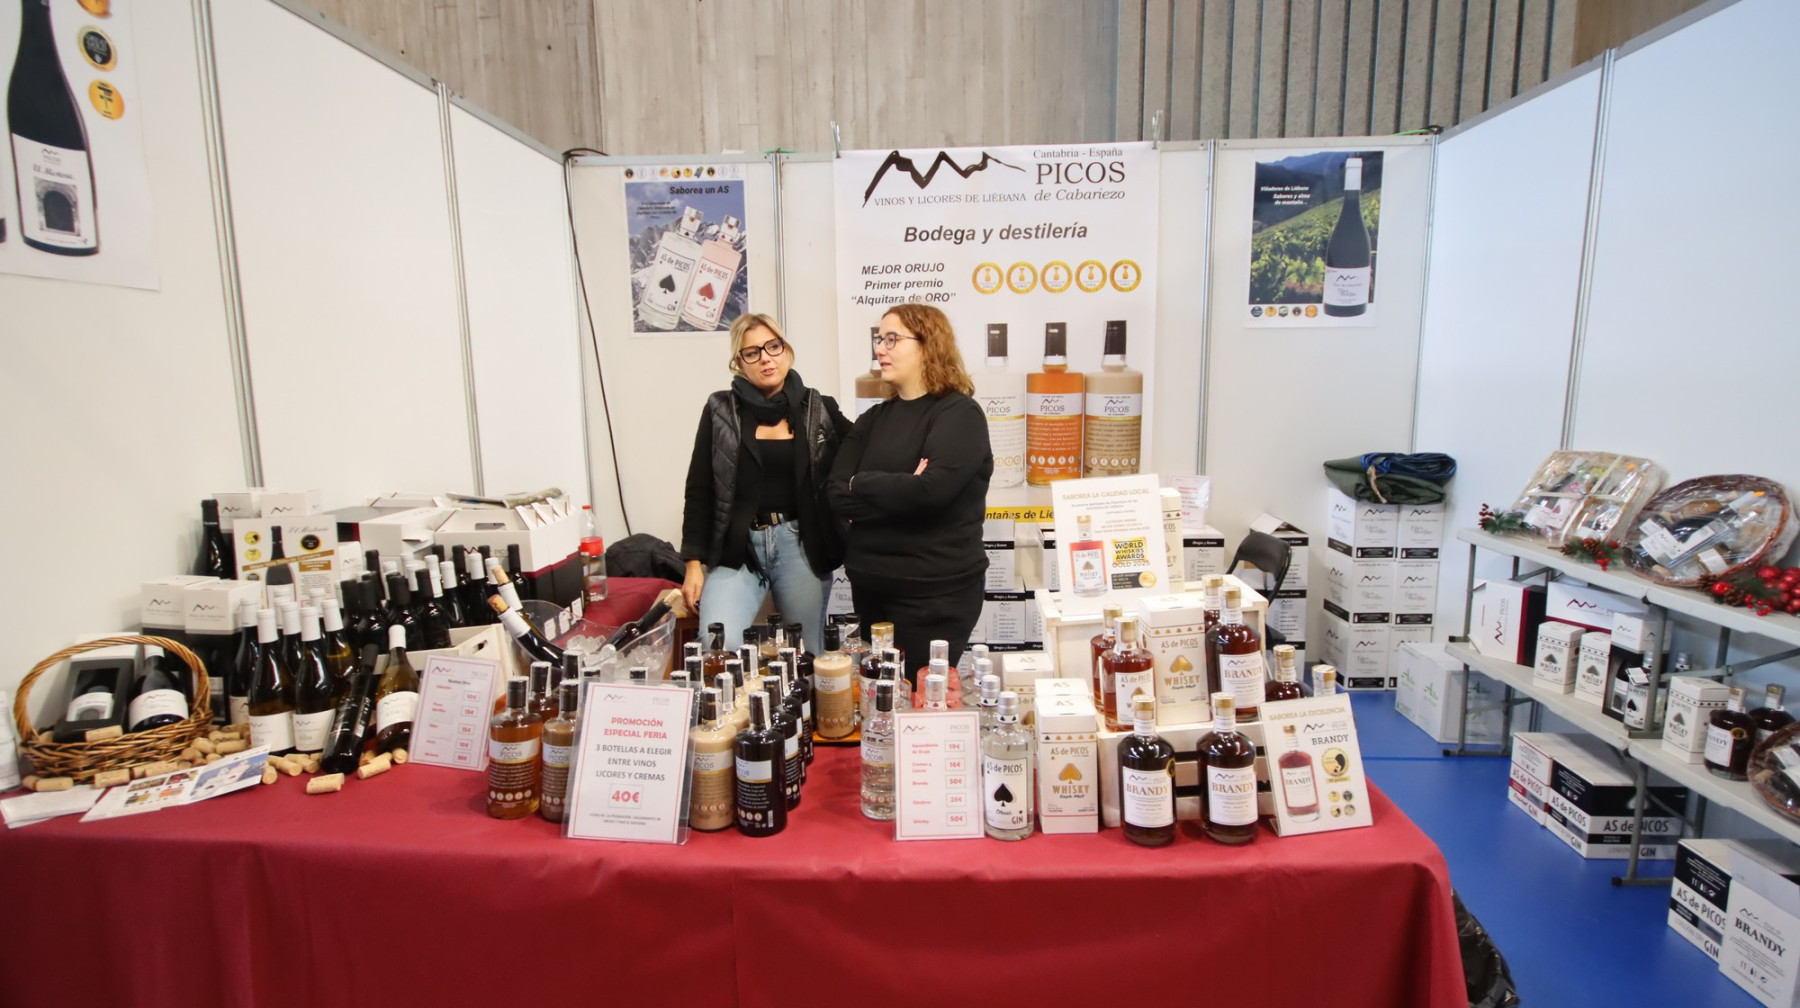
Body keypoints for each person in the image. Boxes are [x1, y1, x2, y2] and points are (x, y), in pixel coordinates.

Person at [828, 303, 992, 679]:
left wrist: (862, 482)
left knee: (919, 701)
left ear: (927, 345)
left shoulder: (959, 415)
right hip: (870, 587)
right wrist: (904, 486)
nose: (880, 349)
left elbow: (931, 493)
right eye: (879, 339)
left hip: (934, 596)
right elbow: (836, 494)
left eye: (892, 339)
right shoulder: (872, 419)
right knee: (881, 698)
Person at [679, 313, 850, 655]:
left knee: (807, 653)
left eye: (773, 346)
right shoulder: (720, 410)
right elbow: (699, 488)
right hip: (738, 550)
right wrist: (693, 564)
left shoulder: (818, 408)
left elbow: (861, 453)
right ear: (739, 363)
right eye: (752, 352)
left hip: (801, 545)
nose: (766, 358)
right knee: (718, 644)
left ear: (786, 351)